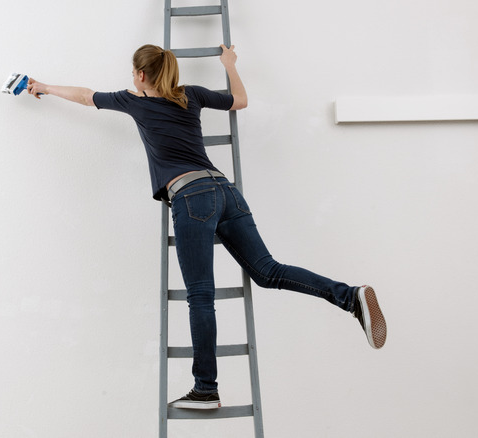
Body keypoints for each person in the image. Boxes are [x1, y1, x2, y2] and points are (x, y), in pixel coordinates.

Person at [26, 44, 387, 410]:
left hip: (191, 197)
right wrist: (229, 64)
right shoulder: (191, 95)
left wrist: (43, 87)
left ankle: (205, 388)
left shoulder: (134, 101)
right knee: (269, 271)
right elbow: (240, 100)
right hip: (226, 191)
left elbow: (86, 97)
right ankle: (349, 296)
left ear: (140, 75)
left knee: (200, 295)